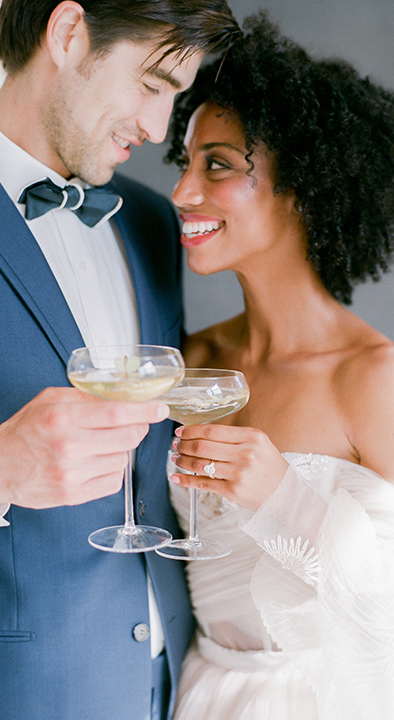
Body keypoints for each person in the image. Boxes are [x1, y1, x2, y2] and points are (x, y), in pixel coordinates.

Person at [164, 14, 394, 719]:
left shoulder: (377, 380)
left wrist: (283, 496)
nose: (183, 192)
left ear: (302, 183)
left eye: (217, 164)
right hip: (198, 695)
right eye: (183, 164)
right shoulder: (193, 362)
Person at [0, 2, 239, 719]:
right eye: (152, 83)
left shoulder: (150, 221)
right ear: (69, 33)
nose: (160, 129)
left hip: (170, 689)